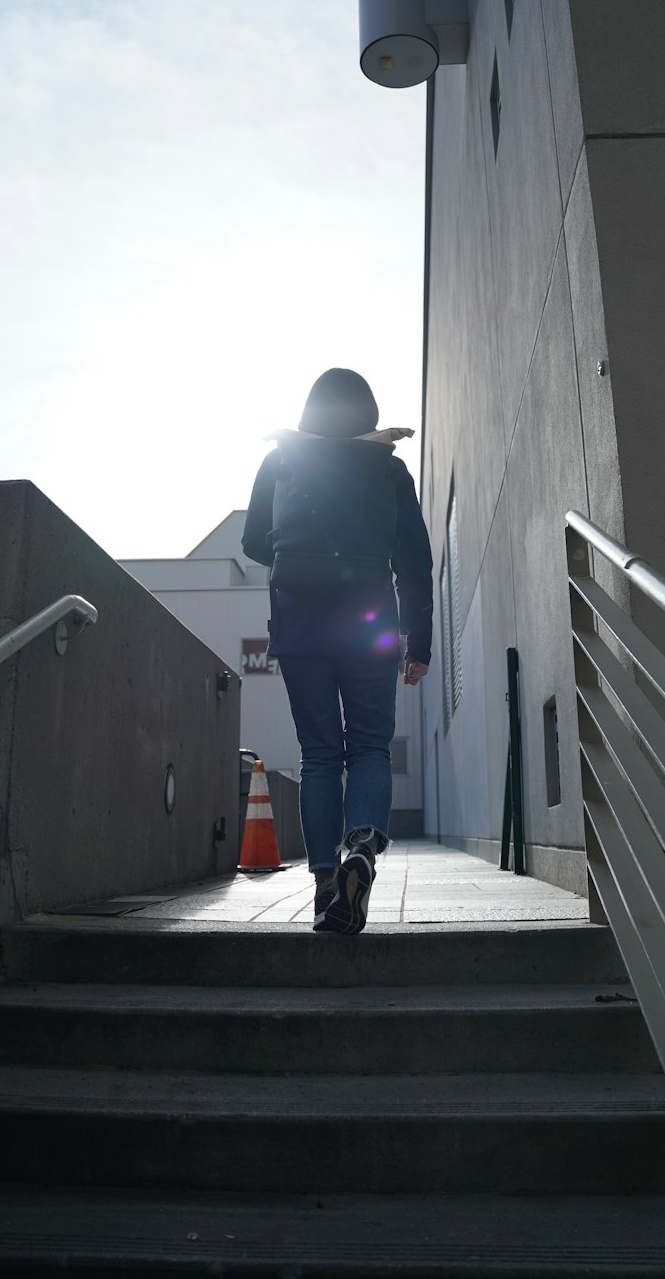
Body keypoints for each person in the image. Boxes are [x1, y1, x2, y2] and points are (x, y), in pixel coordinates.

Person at [242, 368, 433, 933]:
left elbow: (255, 541)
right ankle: (361, 855)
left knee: (320, 754)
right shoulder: (388, 469)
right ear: (368, 414)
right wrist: (418, 643)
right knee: (370, 747)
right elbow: (415, 563)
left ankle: (327, 883)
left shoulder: (282, 460)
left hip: (301, 626)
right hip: (369, 627)